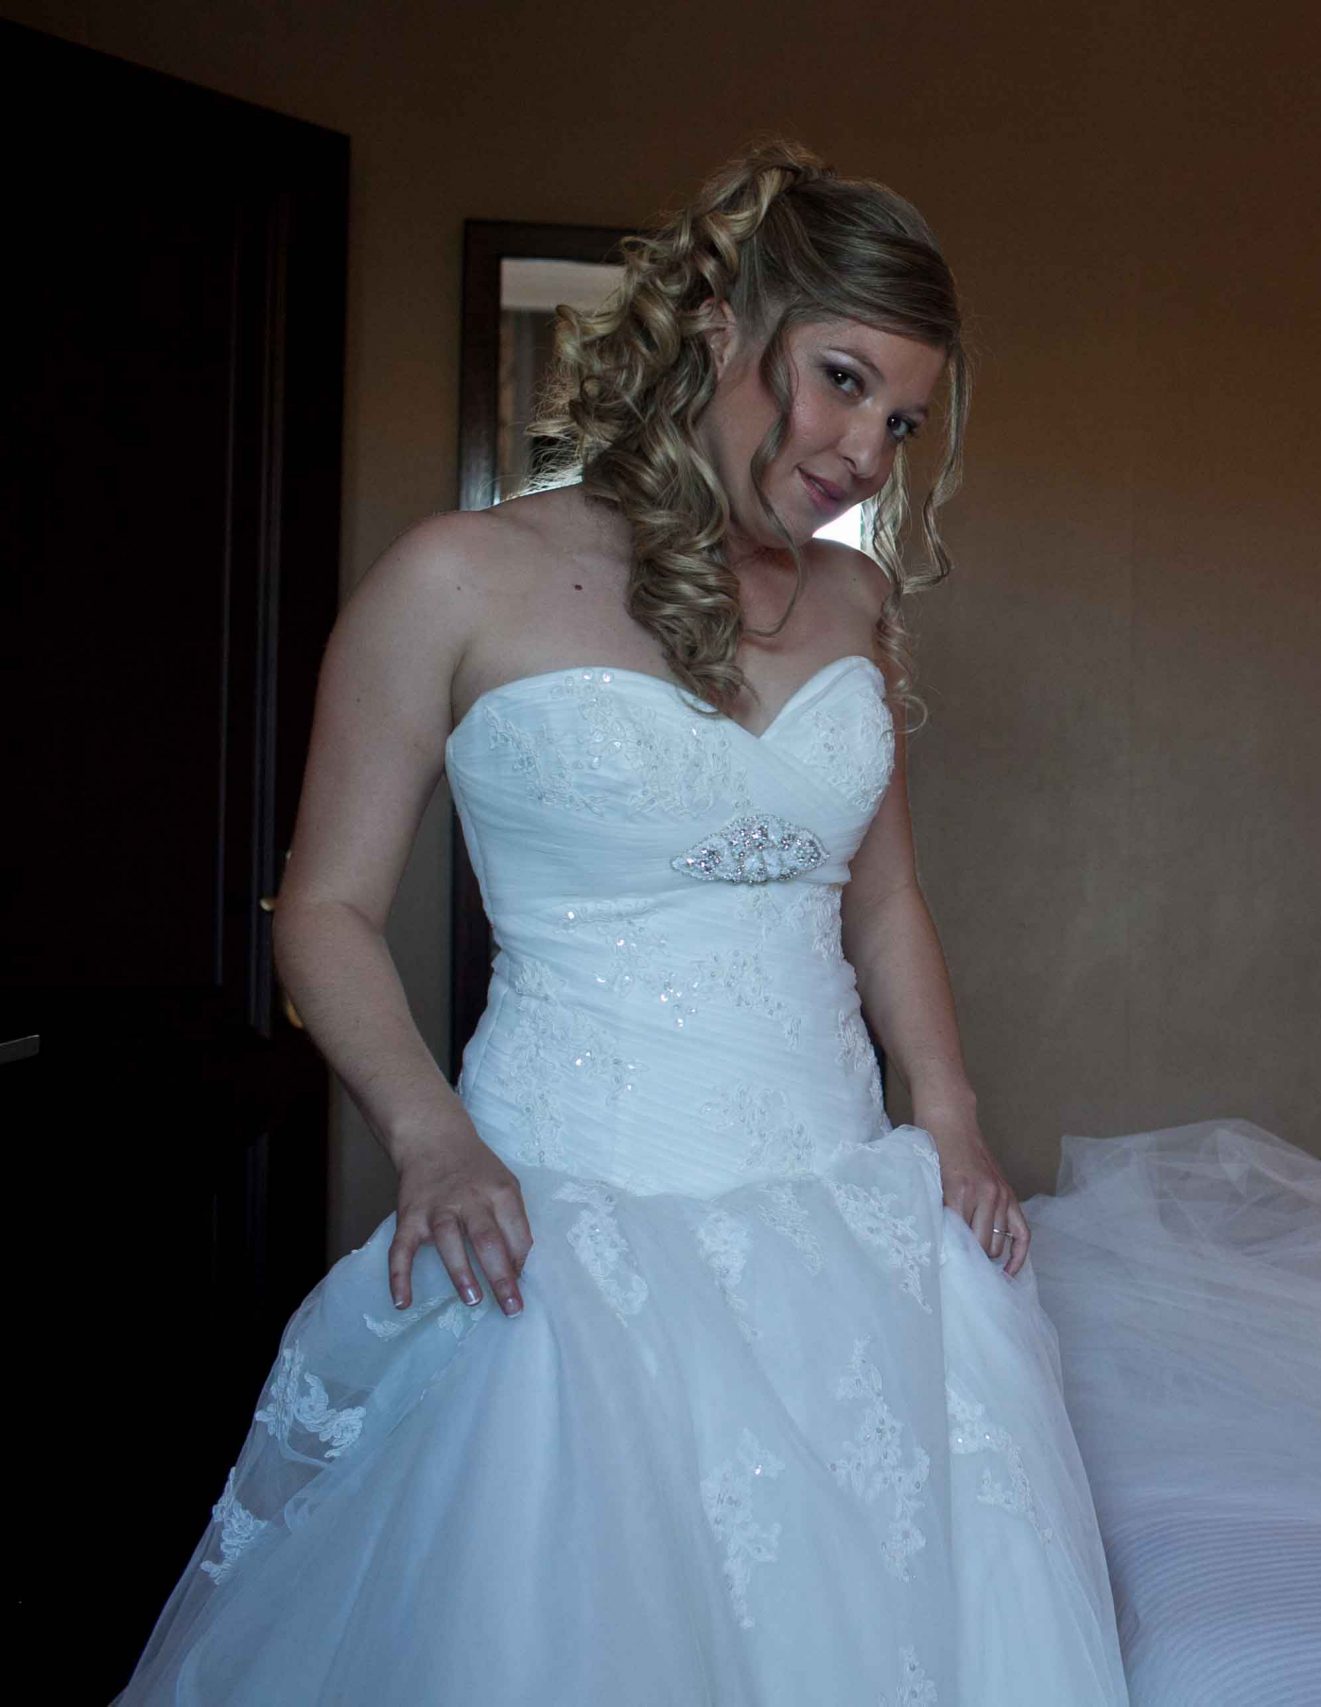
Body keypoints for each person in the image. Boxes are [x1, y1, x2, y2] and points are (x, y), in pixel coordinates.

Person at [120, 139, 1131, 1705]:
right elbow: (323, 909)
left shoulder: (857, 605)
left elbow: (880, 897)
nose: (867, 452)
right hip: (568, 1218)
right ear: (723, 326)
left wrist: (947, 1114)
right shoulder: (458, 578)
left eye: (902, 420)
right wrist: (431, 1139)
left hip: (843, 1216)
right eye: (842, 381)